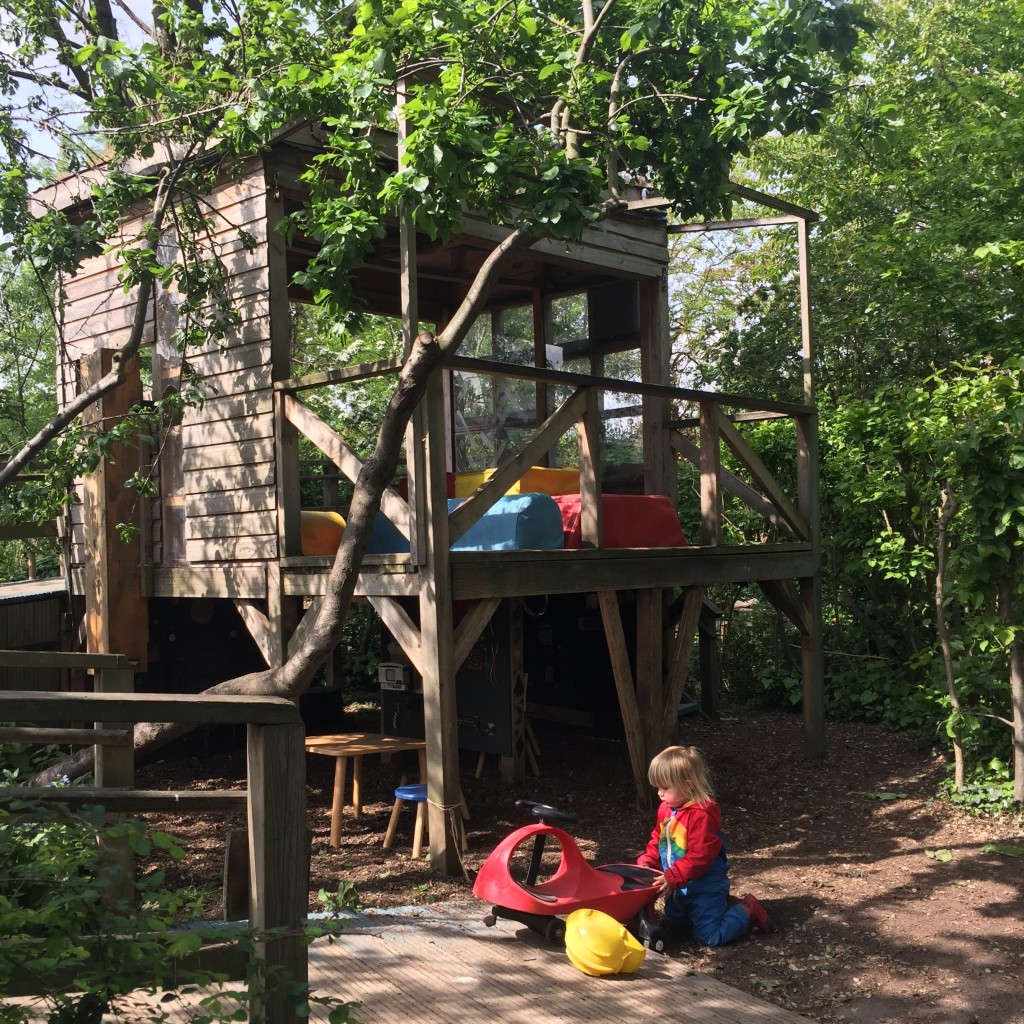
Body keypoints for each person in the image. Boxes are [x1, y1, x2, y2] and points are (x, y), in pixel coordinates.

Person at [637, 744, 775, 947]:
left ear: (687, 784)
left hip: (704, 887)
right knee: (675, 922)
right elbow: (658, 837)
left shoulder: (701, 814)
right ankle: (716, 911)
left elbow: (700, 855)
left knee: (709, 937)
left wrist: (673, 876)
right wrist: (649, 859)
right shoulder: (667, 809)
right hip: (679, 887)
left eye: (665, 788)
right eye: (657, 787)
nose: (659, 793)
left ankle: (748, 910)